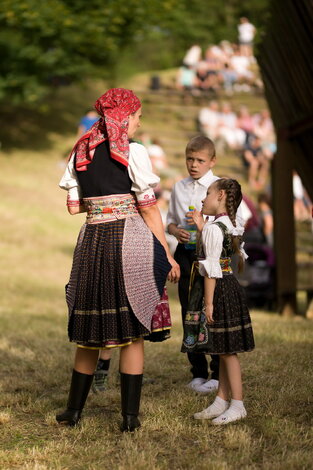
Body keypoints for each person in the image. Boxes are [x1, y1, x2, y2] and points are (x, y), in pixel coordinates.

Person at [57, 88, 180, 431]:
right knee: (132, 330)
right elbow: (149, 206)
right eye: (138, 116)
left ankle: (73, 413)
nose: (140, 123)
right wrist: (165, 252)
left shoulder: (80, 150)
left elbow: (76, 205)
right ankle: (129, 419)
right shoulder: (133, 152)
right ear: (125, 118)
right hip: (129, 238)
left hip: (92, 241)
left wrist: (102, 203)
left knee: (89, 329)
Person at [182, 178, 255, 424]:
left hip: (220, 290)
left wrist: (209, 304)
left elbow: (211, 270)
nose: (203, 199)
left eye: (208, 193)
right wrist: (203, 227)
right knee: (223, 348)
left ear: (221, 195)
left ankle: (237, 404)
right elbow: (217, 252)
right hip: (230, 285)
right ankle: (221, 400)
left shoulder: (215, 228)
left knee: (228, 352)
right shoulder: (228, 223)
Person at [167, 135, 220, 394]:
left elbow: (234, 224)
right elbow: (170, 221)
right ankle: (197, 371)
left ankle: (218, 371)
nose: (194, 164)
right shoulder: (178, 187)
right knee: (189, 311)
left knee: (211, 311)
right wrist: (176, 231)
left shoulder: (221, 187)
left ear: (212, 161)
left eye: (200, 160)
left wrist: (204, 227)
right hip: (186, 255)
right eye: (190, 159)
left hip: (210, 256)